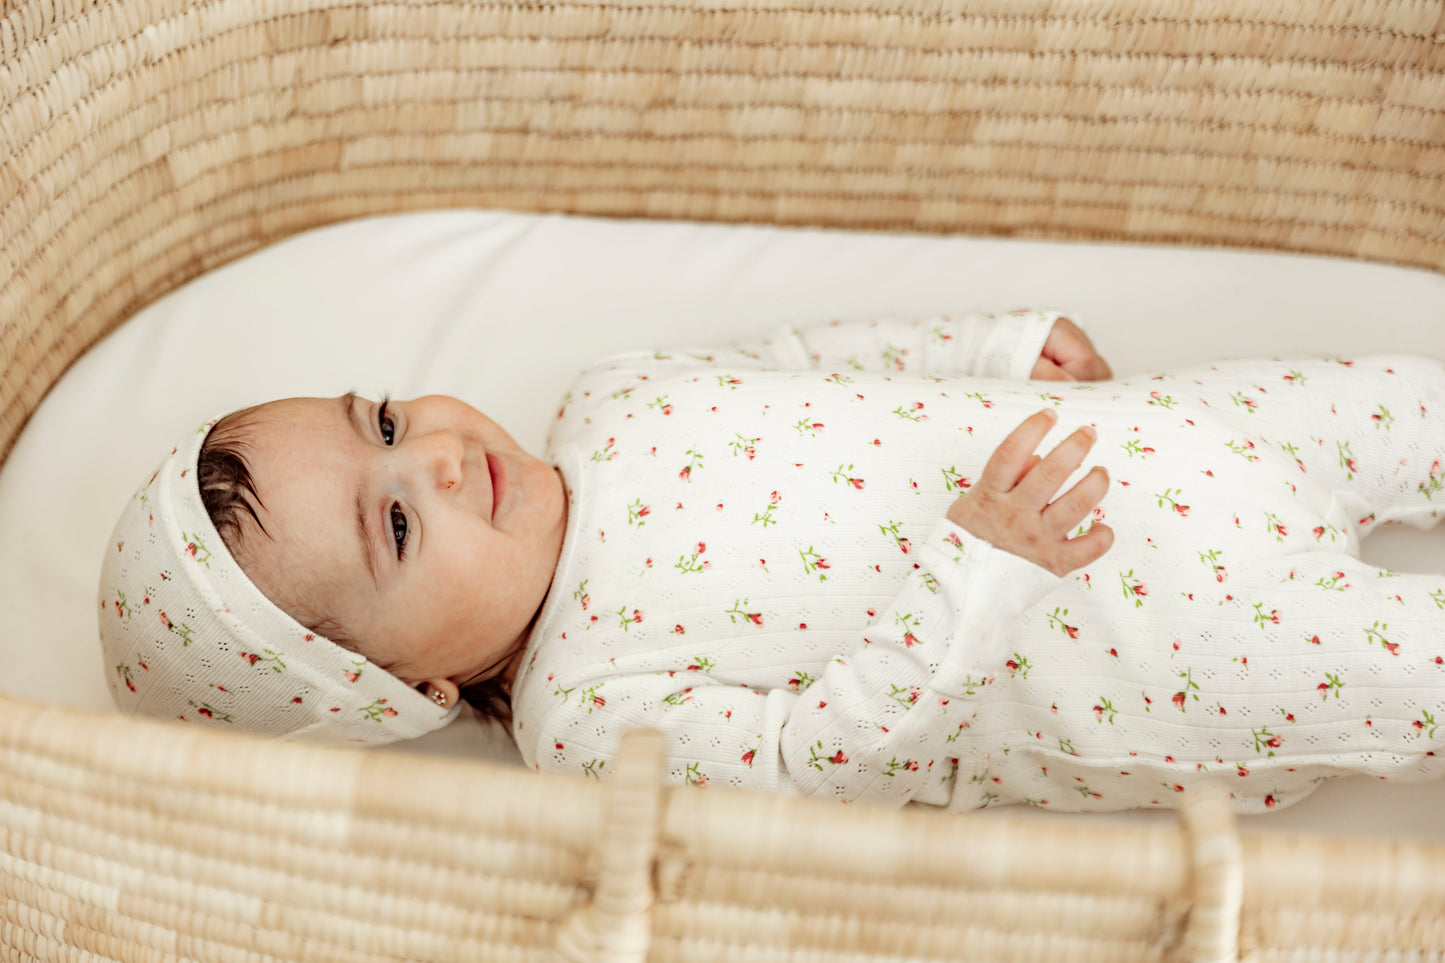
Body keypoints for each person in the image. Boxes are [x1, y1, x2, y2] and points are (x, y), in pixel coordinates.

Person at [98, 310, 1445, 813]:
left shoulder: (605, 392)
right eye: (395, 526)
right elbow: (826, 764)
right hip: (1150, 652)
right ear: (416, 687)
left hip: (1145, 441)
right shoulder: (589, 716)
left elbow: (804, 364)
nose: (437, 460)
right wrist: (978, 571)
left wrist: (977, 353)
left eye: (383, 424)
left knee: (1398, 401)